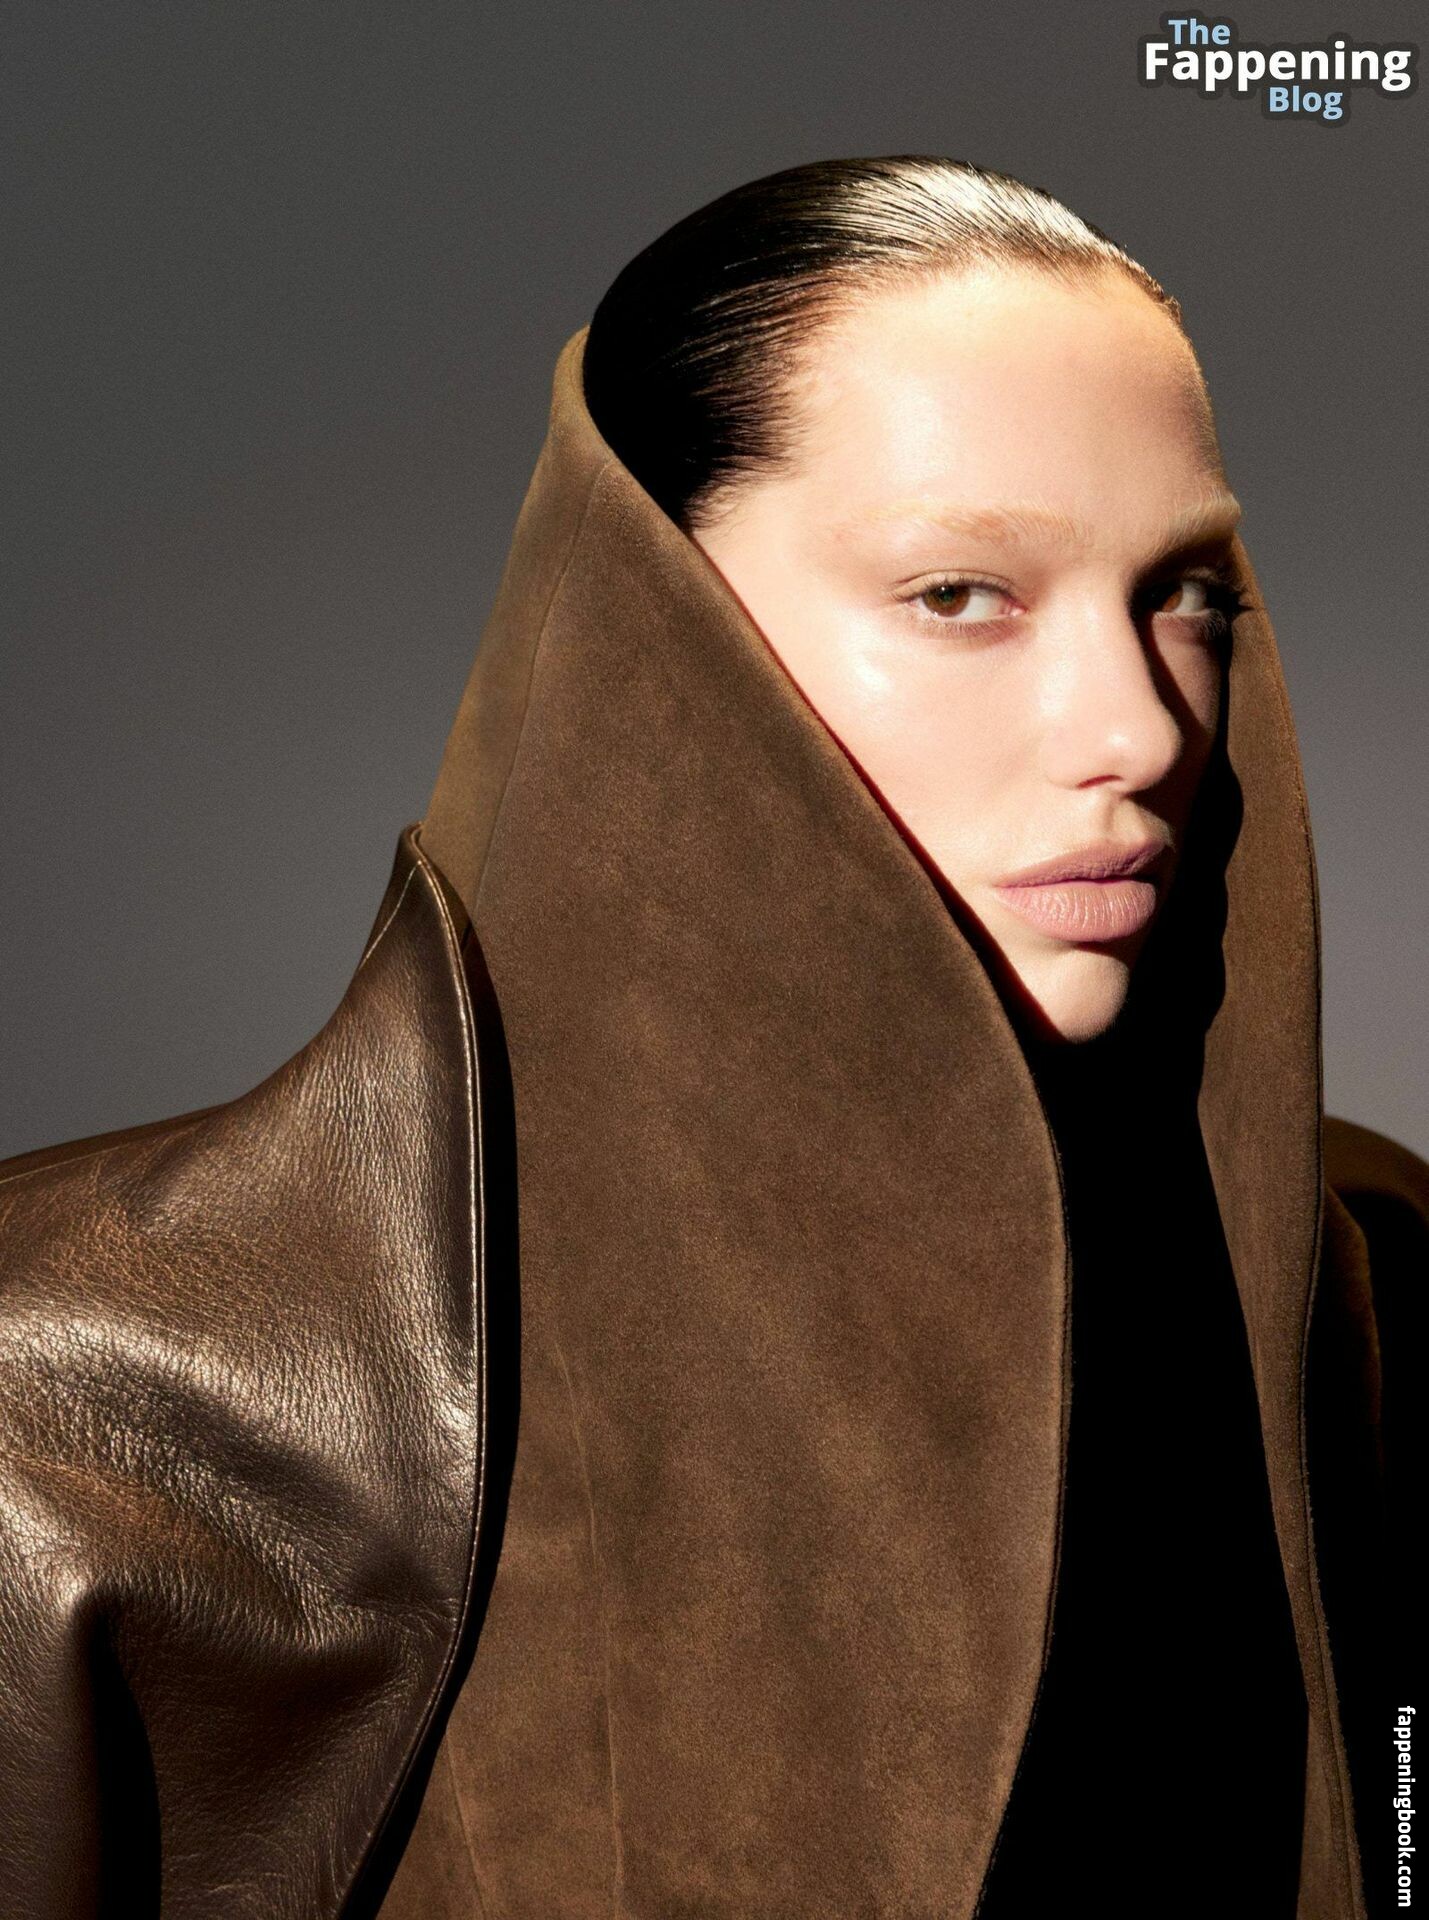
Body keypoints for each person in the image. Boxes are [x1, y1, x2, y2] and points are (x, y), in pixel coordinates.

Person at [0, 155, 1417, 1920]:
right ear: (646, 628)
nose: (1132, 726)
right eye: (959, 595)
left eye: (1186, 592)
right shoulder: (74, 1408)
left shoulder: (1364, 1280)